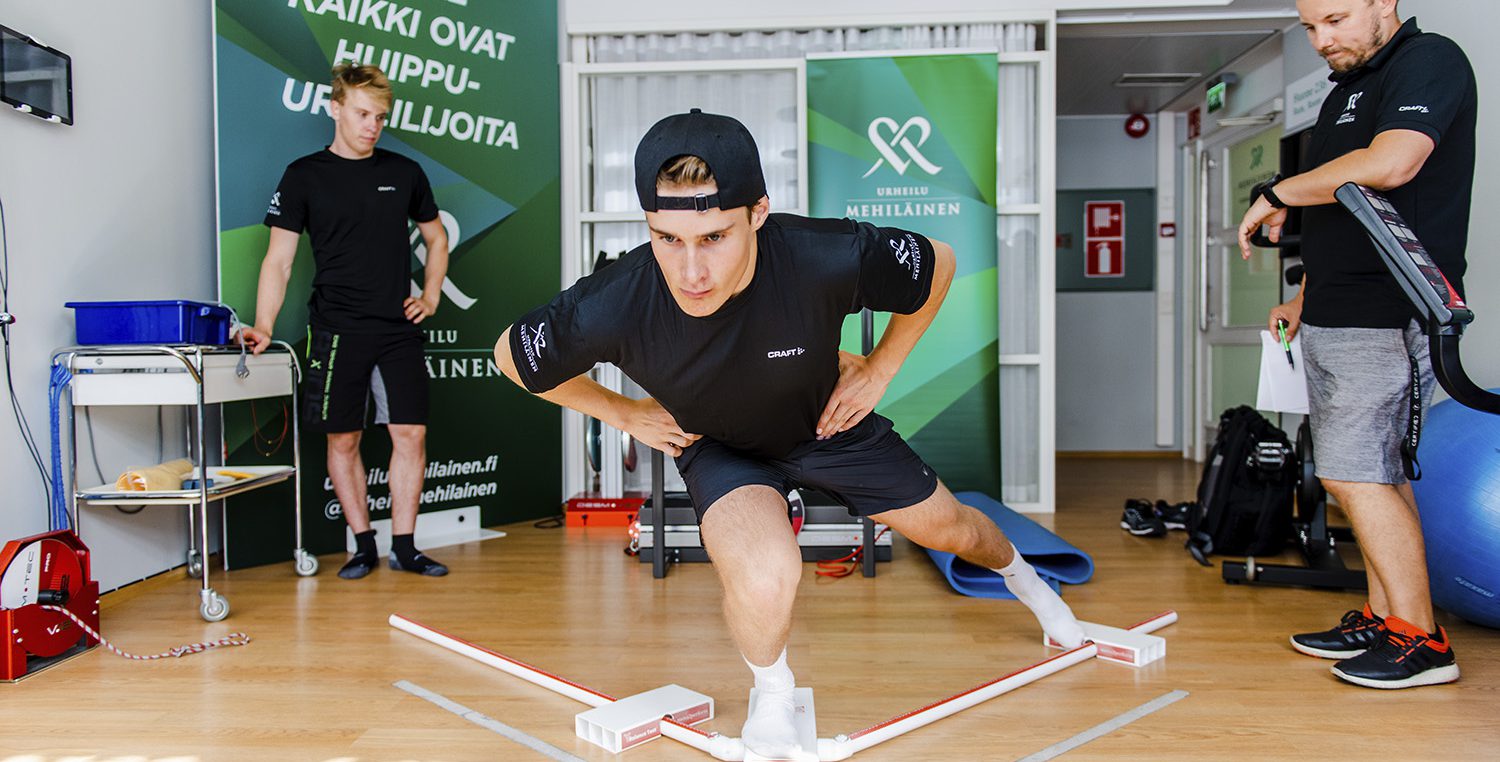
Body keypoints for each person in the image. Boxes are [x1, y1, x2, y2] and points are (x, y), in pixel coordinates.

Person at [495, 109, 1086, 758]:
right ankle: (772, 693)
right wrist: (621, 411)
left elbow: (938, 262)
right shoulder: (615, 300)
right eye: (668, 239)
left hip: (827, 424)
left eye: (714, 236)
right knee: (768, 577)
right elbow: (510, 355)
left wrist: (882, 368)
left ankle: (1029, 584)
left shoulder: (825, 254)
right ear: (648, 226)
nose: (691, 271)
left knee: (958, 532)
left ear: (758, 213)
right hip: (718, 448)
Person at [1237, 0, 1475, 689]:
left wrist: (1276, 190)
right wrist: (1303, 298)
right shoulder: (1349, 88)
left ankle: (1421, 640)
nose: (1321, 40)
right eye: (1310, 26)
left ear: (1385, 2)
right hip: (1339, 310)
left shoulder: (1428, 62)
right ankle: (1383, 615)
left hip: (1389, 310)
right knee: (1368, 470)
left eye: (1336, 19)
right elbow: (1353, 213)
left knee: (1355, 473)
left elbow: (1393, 165)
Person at [240, 63, 452, 580]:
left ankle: (404, 545)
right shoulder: (303, 176)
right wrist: (263, 325)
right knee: (344, 440)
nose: (372, 125)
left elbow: (436, 237)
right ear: (335, 109)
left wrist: (430, 295)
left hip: (397, 330)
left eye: (380, 117)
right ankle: (363, 545)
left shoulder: (404, 174)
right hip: (336, 329)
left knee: (410, 434)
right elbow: (278, 261)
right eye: (362, 113)